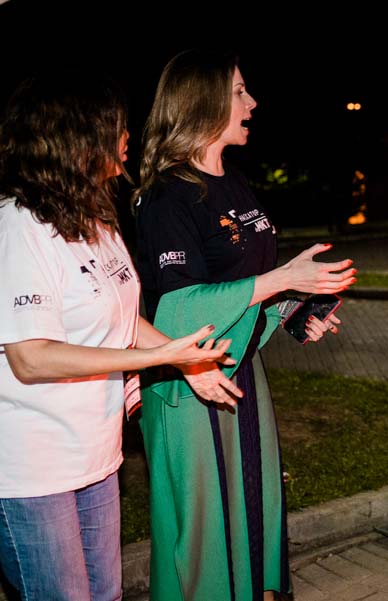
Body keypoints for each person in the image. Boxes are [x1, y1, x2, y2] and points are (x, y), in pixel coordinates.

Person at [0, 69, 238, 601]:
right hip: (33, 467)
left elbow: (123, 318)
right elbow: (31, 358)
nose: (127, 135)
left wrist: (184, 360)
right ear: (76, 134)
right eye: (116, 125)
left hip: (97, 456)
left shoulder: (93, 217)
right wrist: (158, 357)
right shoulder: (17, 227)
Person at [132, 49, 356, 601]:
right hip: (189, 386)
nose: (252, 103)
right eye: (238, 92)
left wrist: (293, 309)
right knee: (203, 538)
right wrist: (280, 279)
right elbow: (177, 310)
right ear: (203, 103)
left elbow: (246, 281)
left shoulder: (233, 182)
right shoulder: (167, 198)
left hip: (241, 372)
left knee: (253, 510)